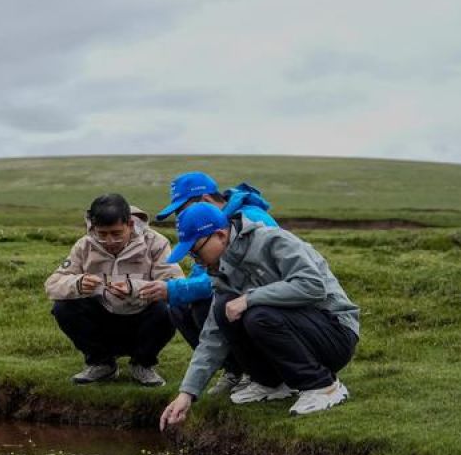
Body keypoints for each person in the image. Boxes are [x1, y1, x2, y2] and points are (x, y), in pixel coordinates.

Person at [158, 201, 360, 428]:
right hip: (298, 330)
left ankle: (324, 386)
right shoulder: (222, 270)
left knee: (257, 314)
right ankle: (271, 384)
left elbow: (312, 286)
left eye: (196, 251)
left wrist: (249, 298)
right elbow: (212, 336)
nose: (196, 260)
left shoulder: (273, 240)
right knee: (223, 308)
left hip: (336, 333)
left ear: (220, 235)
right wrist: (187, 393)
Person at [159, 171, 279, 401]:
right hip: (244, 300)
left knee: (211, 304)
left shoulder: (252, 218)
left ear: (204, 200)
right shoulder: (206, 229)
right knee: (180, 306)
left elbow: (218, 284)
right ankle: (234, 370)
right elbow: (205, 275)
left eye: (180, 210)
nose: (179, 217)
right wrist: (176, 290)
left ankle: (257, 373)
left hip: (260, 302)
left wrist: (173, 289)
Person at [45, 193, 183, 386]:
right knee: (63, 307)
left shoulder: (156, 243)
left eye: (116, 234)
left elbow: (175, 283)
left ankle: (142, 364)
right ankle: (101, 364)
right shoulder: (84, 245)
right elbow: (52, 284)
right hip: (102, 319)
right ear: (93, 227)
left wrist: (134, 288)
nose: (109, 241)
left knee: (170, 307)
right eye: (102, 234)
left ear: (130, 224)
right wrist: (77, 283)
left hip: (143, 318)